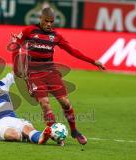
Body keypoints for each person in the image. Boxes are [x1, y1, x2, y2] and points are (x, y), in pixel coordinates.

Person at [10, 7, 106, 145]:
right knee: (45, 104)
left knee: (65, 102)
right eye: (46, 21)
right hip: (34, 72)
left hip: (50, 71)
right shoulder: (29, 31)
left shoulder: (55, 36)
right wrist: (16, 68)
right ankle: (55, 135)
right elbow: (15, 45)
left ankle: (74, 130)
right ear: (40, 19)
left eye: (52, 22)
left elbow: (73, 51)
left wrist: (93, 61)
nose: (49, 24)